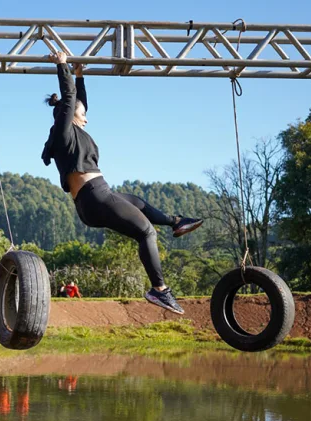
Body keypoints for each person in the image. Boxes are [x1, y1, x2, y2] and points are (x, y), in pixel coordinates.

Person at [42, 53, 203, 314]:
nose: (86, 118)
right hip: (95, 197)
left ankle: (176, 221)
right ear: (71, 115)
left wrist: (79, 73)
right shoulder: (63, 134)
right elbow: (71, 100)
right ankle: (160, 290)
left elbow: (78, 102)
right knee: (146, 232)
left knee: (138, 203)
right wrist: (62, 66)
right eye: (82, 115)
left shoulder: (71, 133)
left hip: (93, 199)